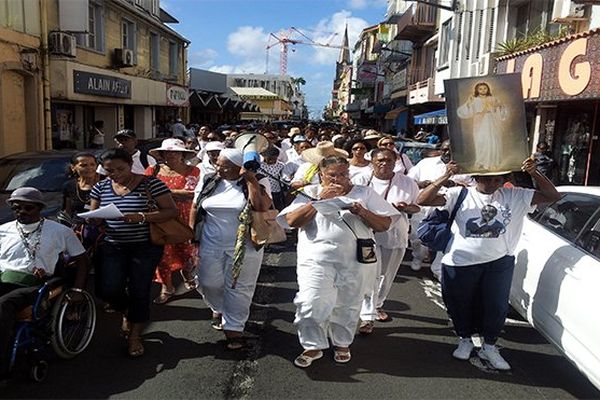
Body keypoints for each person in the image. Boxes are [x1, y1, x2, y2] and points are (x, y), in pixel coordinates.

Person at [416, 158, 560, 370]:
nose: (492, 184)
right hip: (459, 262)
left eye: (497, 179)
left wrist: (534, 173)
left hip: (499, 262)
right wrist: (446, 176)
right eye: (487, 179)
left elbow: (553, 196)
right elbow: (423, 199)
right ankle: (464, 339)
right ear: (476, 178)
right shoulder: (459, 194)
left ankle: (489, 346)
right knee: (459, 304)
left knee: (496, 306)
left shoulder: (516, 195)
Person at [277, 156, 399, 368]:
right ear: (321, 175)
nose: (338, 179)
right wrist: (318, 202)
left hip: (355, 261)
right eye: (332, 175)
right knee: (310, 301)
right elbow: (291, 222)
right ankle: (312, 345)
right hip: (316, 260)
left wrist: (361, 211)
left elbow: (384, 224)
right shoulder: (311, 192)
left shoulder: (364, 193)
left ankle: (342, 342)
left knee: (349, 303)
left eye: (342, 174)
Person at [89, 148, 179, 357]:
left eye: (120, 169)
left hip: (145, 246)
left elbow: (171, 211)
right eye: (110, 170)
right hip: (112, 245)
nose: (116, 174)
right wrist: (94, 218)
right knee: (108, 290)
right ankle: (128, 311)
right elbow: (94, 215)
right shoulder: (100, 187)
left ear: (130, 164)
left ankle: (135, 336)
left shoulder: (151, 183)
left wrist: (141, 217)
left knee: (139, 289)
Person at [1, 187, 89, 381]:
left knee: (4, 304)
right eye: (16, 208)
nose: (21, 212)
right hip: (3, 278)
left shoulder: (59, 231)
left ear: (39, 208)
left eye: (27, 208)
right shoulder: (3, 230)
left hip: (35, 285)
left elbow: (82, 259)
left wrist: (77, 290)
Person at [189, 149, 272, 350]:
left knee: (239, 287)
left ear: (239, 166)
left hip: (246, 246)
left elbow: (261, 207)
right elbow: (195, 207)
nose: (219, 169)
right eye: (218, 164)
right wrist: (191, 237)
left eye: (225, 166)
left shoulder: (259, 180)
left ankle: (234, 328)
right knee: (208, 282)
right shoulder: (209, 180)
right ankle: (218, 307)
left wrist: (251, 180)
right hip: (210, 242)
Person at [352, 148, 420, 334]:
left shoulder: (407, 183)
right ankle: (367, 316)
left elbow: (417, 207)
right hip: (366, 235)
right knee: (371, 273)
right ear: (372, 161)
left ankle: (377, 305)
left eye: (389, 160)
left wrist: (406, 207)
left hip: (395, 235)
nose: (384, 163)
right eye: (380, 160)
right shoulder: (360, 181)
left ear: (395, 161)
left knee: (386, 276)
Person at [145, 139, 200, 304]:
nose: (171, 155)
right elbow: (144, 191)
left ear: (183, 154)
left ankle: (187, 273)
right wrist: (174, 194)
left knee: (187, 251)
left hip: (185, 216)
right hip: (161, 218)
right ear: (162, 154)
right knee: (162, 254)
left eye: (175, 151)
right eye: (168, 152)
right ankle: (167, 287)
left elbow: (191, 194)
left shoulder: (193, 170)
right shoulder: (152, 171)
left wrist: (162, 193)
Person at [407, 140, 473, 274]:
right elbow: (409, 181)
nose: (448, 152)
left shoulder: (467, 167)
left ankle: (437, 268)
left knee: (444, 237)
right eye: (445, 149)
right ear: (440, 150)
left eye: (451, 149)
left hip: (450, 210)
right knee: (417, 238)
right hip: (424, 208)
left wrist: (455, 185)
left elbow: (474, 187)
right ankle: (418, 256)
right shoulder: (426, 163)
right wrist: (423, 184)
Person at [457, 82, 508, 171]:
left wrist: (500, 106)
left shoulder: (493, 99)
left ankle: (492, 163)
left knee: (492, 141)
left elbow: (500, 110)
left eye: (485, 88)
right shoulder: (474, 100)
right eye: (480, 89)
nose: (483, 90)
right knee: (482, 142)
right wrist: (468, 104)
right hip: (480, 124)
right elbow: (466, 112)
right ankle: (482, 162)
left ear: (488, 89)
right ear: (477, 90)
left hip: (492, 123)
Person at [260, 146, 286, 211]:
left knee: (278, 208)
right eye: (269, 159)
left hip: (276, 191)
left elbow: (283, 178)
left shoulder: (281, 165)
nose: (271, 161)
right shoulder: (259, 165)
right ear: (264, 157)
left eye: (274, 159)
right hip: (263, 192)